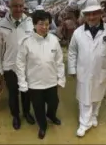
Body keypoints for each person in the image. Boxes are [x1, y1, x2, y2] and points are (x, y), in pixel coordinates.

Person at [68, 0, 106, 137]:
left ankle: (93, 116)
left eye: (94, 13)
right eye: (88, 14)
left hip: (101, 70)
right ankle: (83, 123)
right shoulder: (78, 33)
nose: (91, 17)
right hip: (83, 71)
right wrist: (72, 69)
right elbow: (72, 52)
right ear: (84, 15)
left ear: (100, 13)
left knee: (98, 96)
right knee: (84, 97)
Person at [16, 9, 65, 139]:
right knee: (38, 108)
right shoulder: (26, 42)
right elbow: (20, 64)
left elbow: (59, 61)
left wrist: (61, 79)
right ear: (34, 24)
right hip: (35, 83)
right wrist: (22, 83)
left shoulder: (54, 40)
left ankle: (51, 115)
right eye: (41, 24)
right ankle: (42, 126)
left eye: (47, 24)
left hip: (51, 81)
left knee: (54, 102)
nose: (44, 27)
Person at [0, 0, 35, 130]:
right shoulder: (0, 25)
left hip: (26, 65)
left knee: (26, 92)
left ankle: (27, 112)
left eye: (21, 6)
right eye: (15, 6)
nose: (18, 9)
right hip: (9, 65)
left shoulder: (29, 22)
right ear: (9, 7)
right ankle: (15, 115)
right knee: (13, 93)